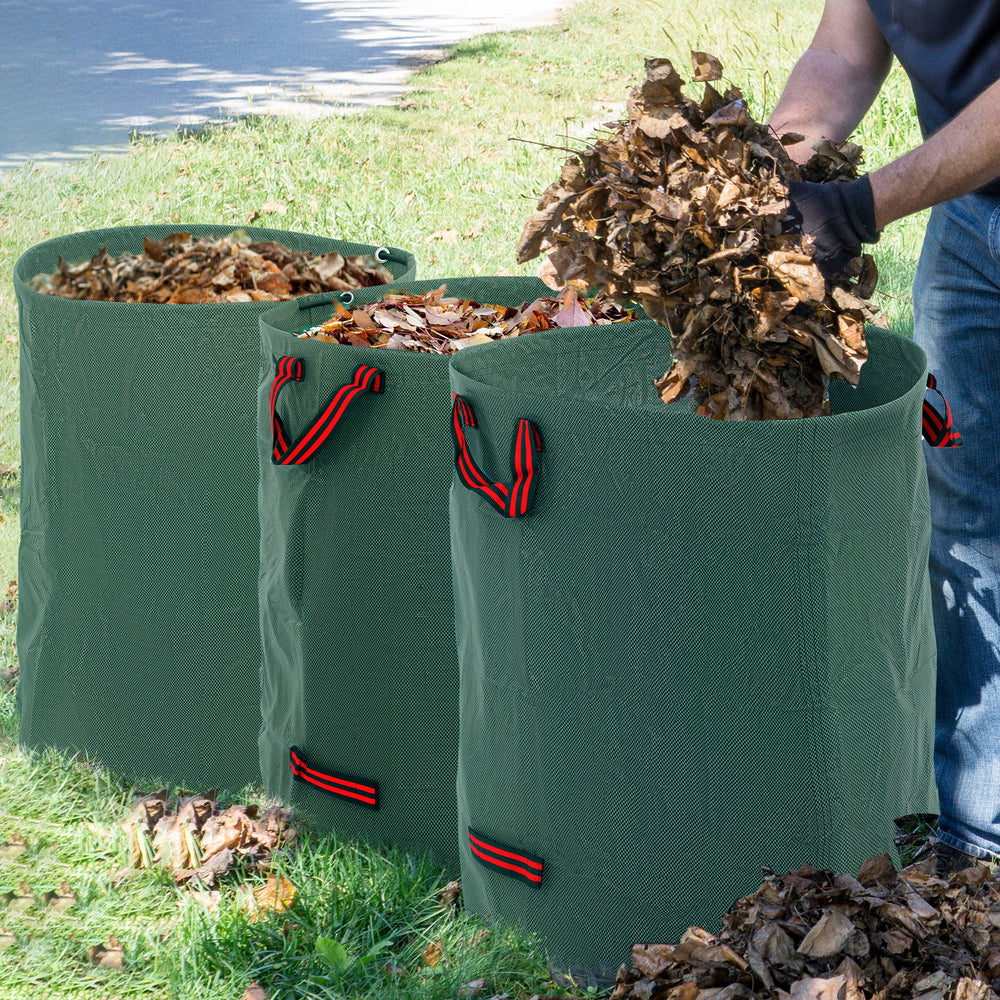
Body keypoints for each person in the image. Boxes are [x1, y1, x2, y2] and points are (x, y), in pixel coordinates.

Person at [770, 0, 1000, 871]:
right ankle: (977, 850)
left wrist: (862, 207)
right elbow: (843, 50)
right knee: (968, 520)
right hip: (975, 219)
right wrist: (766, 181)